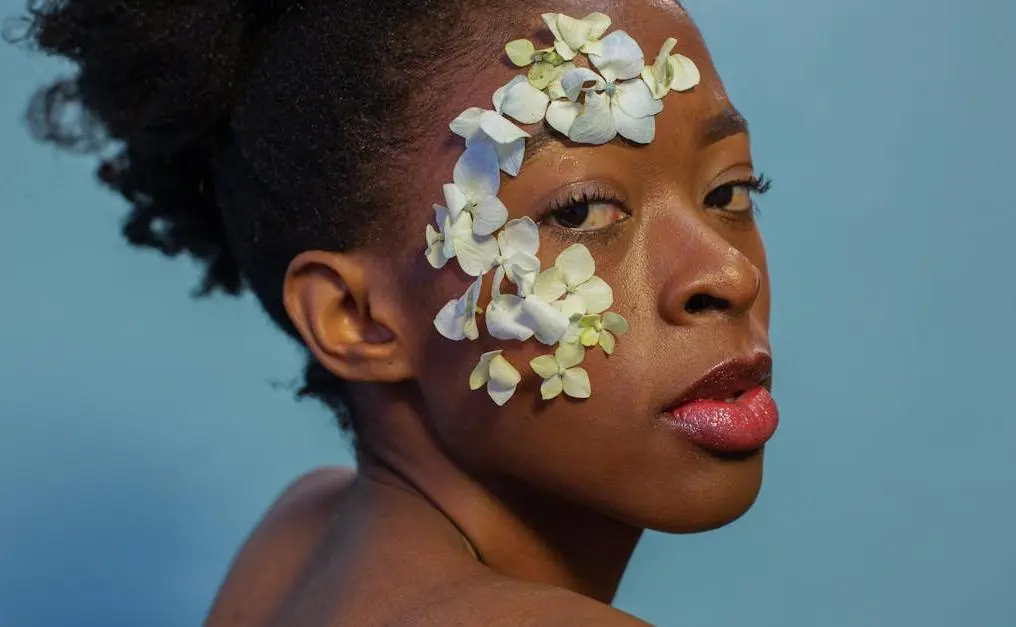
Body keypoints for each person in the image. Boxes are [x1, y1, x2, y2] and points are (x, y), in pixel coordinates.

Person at [21, 0, 778, 624]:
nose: (727, 271)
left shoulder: (298, 540)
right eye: (580, 210)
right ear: (355, 316)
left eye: (731, 190)